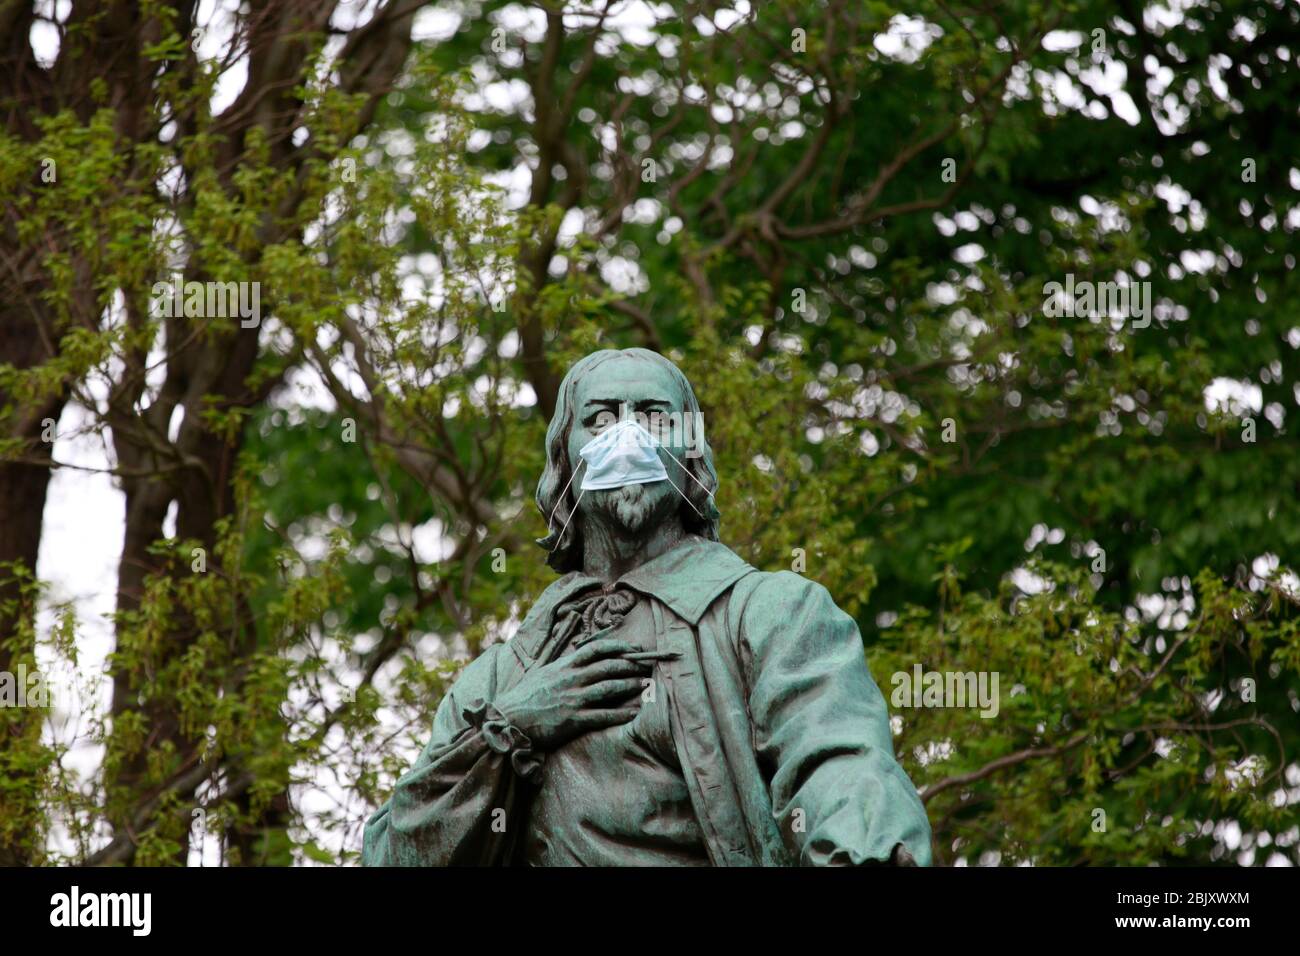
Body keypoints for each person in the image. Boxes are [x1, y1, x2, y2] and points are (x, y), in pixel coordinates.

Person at [362, 348, 931, 865]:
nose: (627, 437)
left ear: (691, 454)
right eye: (601, 419)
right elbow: (397, 853)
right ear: (565, 458)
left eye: (655, 418)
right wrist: (512, 730)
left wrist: (869, 848)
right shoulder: (497, 680)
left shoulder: (772, 613)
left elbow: (838, 763)